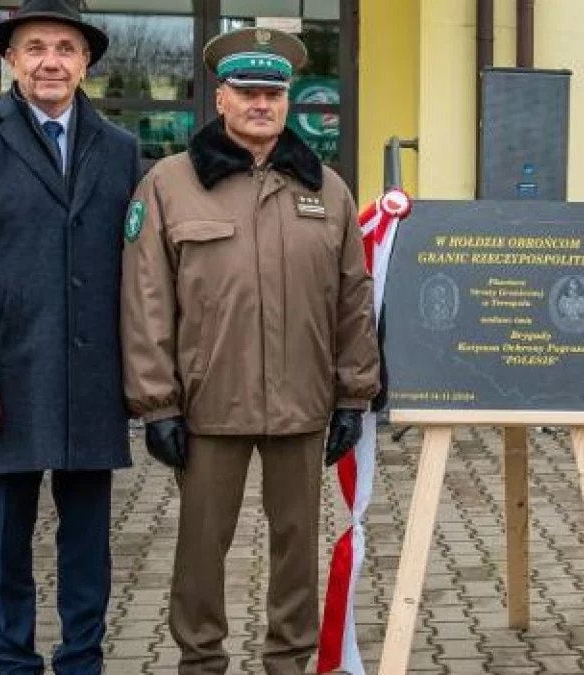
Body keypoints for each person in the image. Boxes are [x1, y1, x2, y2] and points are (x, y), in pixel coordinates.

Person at [119, 27, 380, 674]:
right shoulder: (170, 183)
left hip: (303, 399)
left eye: (273, 92)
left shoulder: (328, 188)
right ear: (221, 98)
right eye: (247, 91)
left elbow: (353, 296)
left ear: (287, 100)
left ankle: (288, 661)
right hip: (209, 402)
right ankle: (201, 660)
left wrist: (354, 391)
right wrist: (156, 403)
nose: (261, 102)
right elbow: (146, 298)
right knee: (201, 548)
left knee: (298, 546)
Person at [0, 1, 139, 672]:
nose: (50, 61)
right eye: (35, 47)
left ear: (85, 62)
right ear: (10, 59)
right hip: (4, 375)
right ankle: (12, 659)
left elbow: (138, 269)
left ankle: (81, 657)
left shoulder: (121, 149)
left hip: (93, 373)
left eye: (65, 48)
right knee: (6, 538)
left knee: (88, 539)